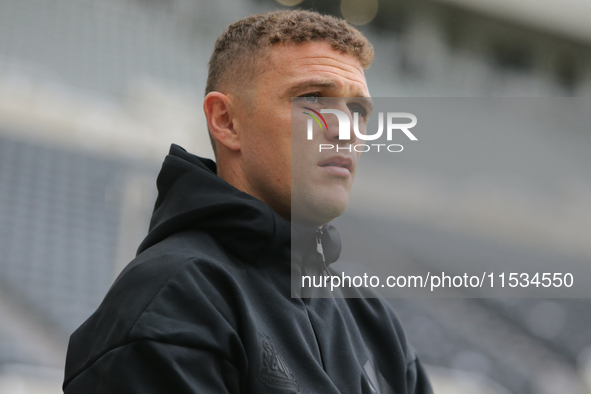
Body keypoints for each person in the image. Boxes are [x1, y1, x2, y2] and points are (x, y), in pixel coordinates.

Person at [63, 10, 433, 394]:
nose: (345, 129)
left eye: (358, 110)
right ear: (225, 120)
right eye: (312, 98)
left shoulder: (374, 322)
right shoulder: (173, 299)